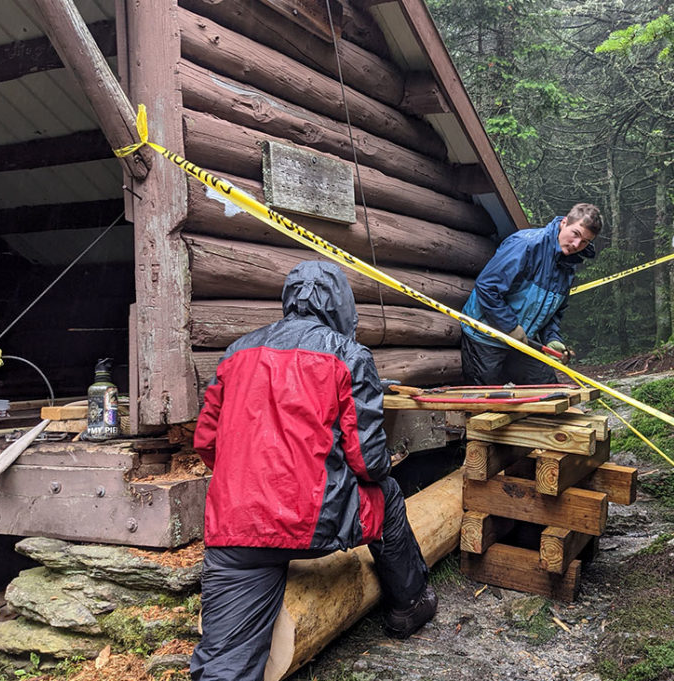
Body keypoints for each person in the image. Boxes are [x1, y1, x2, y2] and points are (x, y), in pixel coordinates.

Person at [190, 261, 437, 681]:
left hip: (237, 527)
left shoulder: (234, 353)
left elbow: (207, 443)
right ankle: (409, 606)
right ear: (343, 306)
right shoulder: (350, 355)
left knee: (223, 665)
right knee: (389, 493)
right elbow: (368, 462)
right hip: (313, 523)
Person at [460, 202, 602, 385]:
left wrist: (552, 339)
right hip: (483, 337)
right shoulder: (526, 244)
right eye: (576, 234)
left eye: (585, 242)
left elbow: (554, 312)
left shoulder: (568, 267)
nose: (577, 244)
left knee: (551, 393)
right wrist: (510, 326)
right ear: (564, 223)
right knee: (486, 403)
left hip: (522, 343)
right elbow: (487, 287)